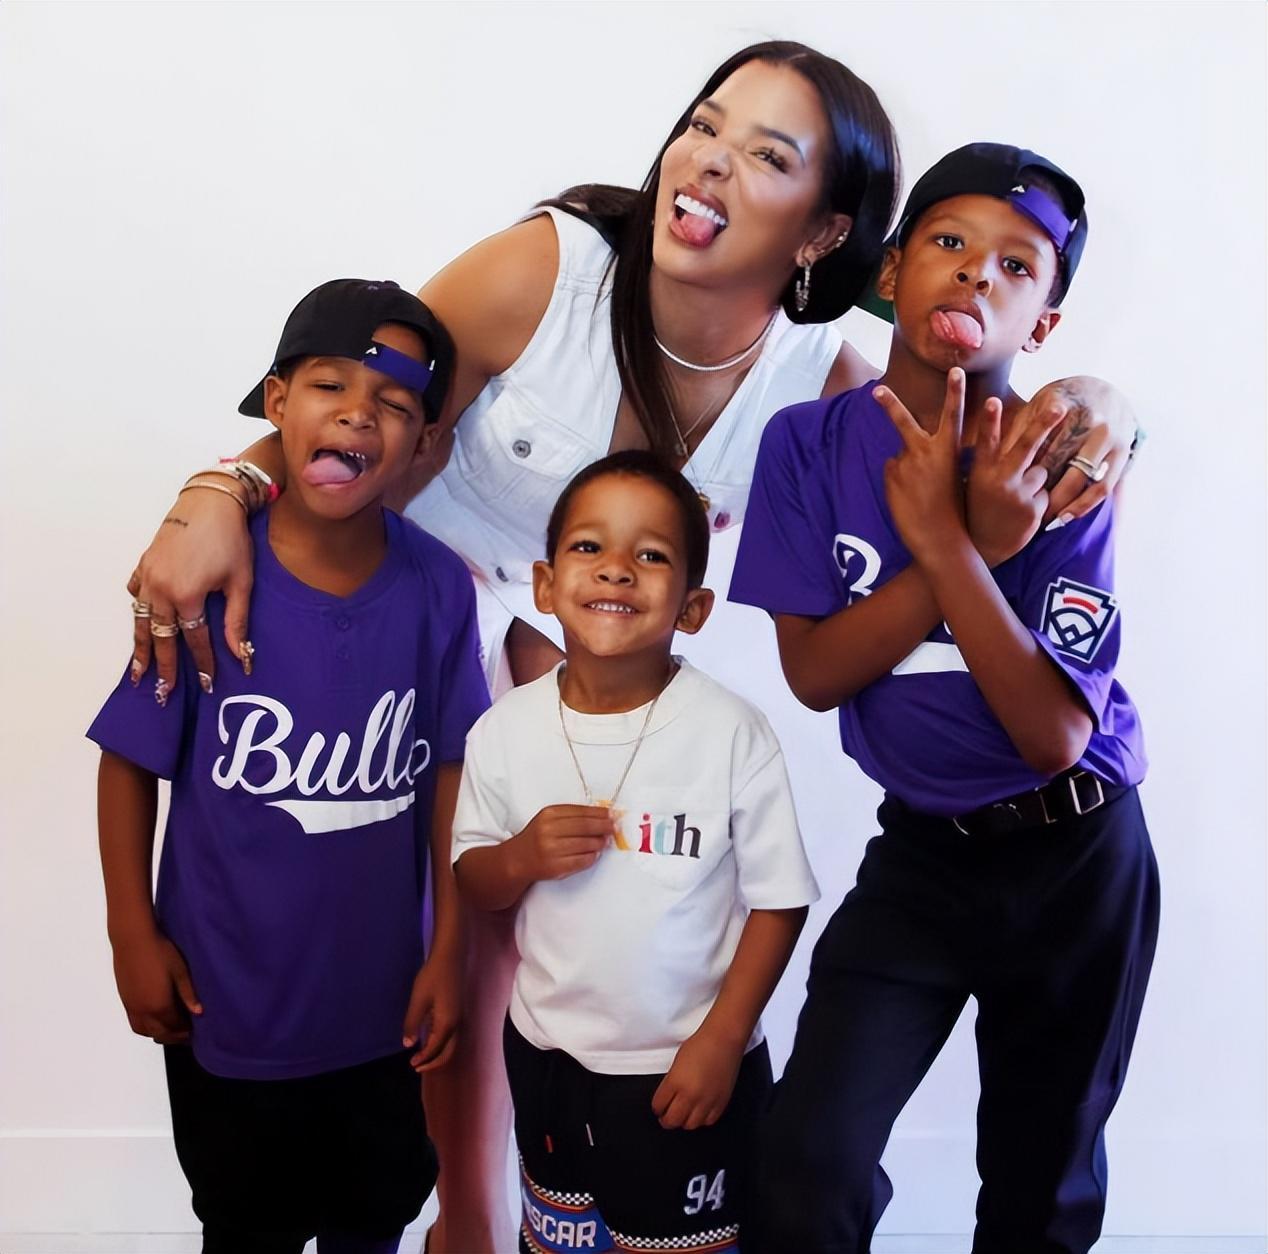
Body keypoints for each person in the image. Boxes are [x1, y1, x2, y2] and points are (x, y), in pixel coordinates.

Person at [122, 43, 1138, 1252]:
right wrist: (219, 488)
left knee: (563, 928)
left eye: (765, 155)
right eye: (703, 126)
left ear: (823, 234)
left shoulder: (817, 380)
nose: (707, 161)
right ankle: (461, 1221)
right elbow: (364, 394)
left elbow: (956, 360)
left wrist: (1104, 404)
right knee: (386, 943)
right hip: (388, 635)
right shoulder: (546, 270)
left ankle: (512, 1210)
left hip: (574, 661)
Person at [730, 144, 1160, 1252]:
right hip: (922, 856)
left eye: (1016, 266)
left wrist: (954, 543)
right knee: (808, 1158)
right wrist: (960, 544)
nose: (977, 274)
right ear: (890, 271)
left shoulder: (1065, 462)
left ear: (1042, 324)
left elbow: (1053, 735)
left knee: (1039, 1185)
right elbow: (816, 674)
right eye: (950, 243)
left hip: (1078, 854)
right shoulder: (806, 445)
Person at [89, 280, 491, 1253]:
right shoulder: (210, 580)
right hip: (228, 1003)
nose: (358, 413)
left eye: (393, 403)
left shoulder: (438, 586)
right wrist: (131, 932)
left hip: (381, 1008)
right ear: (277, 403)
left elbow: (452, 775)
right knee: (244, 1225)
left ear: (424, 444)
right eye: (329, 385)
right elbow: (129, 760)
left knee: (375, 1214)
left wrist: (448, 950)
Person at [452, 450, 819, 1253]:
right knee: (560, 1239)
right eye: (589, 546)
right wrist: (522, 857)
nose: (616, 568)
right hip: (547, 1057)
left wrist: (723, 1041)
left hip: (686, 1064)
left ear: (693, 607)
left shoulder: (730, 731)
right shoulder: (503, 729)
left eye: (650, 555)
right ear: (545, 584)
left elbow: (780, 900)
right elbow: (475, 880)